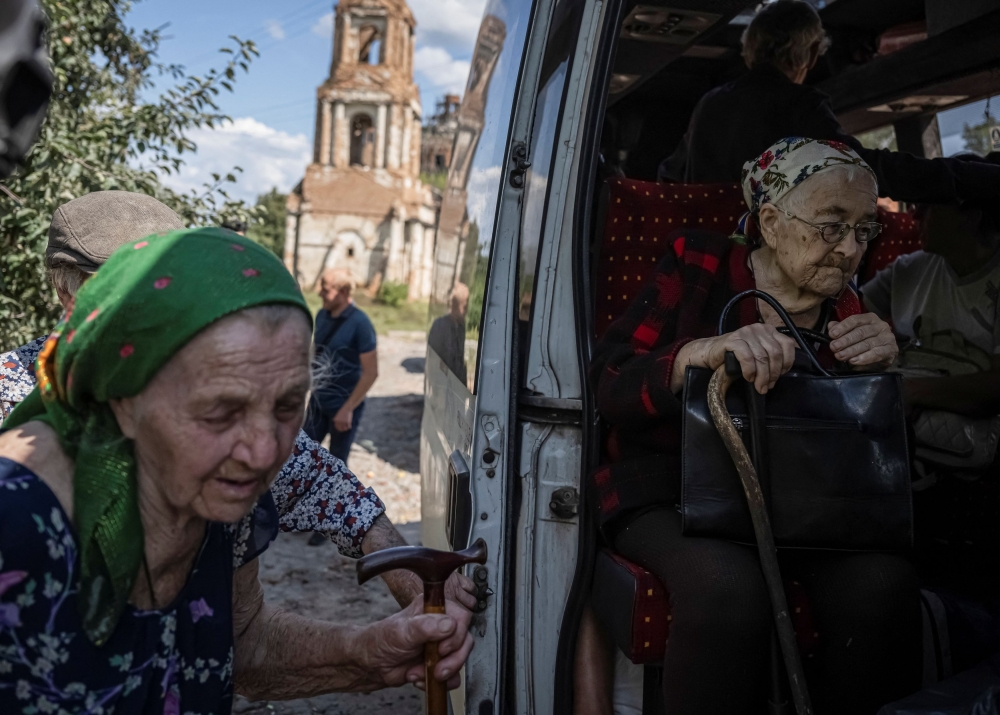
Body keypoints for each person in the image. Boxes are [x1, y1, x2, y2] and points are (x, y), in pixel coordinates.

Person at [0, 228, 474, 712]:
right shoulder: (17, 526)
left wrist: (369, 655)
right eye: (220, 411)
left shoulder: (218, 494)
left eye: (289, 405)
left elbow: (237, 640)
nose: (265, 452)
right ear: (121, 398)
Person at [591, 138, 920, 714]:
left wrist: (886, 365)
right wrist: (700, 352)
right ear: (770, 220)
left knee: (882, 586)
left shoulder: (849, 308)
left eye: (865, 231)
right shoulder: (697, 262)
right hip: (671, 490)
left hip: (805, 500)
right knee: (725, 589)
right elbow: (611, 383)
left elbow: (868, 447)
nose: (850, 250)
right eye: (831, 226)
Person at [658, 0, 1000, 206]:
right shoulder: (798, 103)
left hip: (703, 258)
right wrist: (972, 178)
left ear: (751, 50)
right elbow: (861, 170)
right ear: (808, 53)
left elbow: (669, 177)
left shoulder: (709, 104)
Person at [305, 268, 378, 463]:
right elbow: (316, 352)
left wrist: (347, 409)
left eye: (325, 289)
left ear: (343, 292)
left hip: (344, 404)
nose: (320, 293)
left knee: (336, 465)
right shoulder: (321, 315)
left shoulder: (360, 324)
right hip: (318, 401)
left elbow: (371, 373)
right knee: (301, 456)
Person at [428, 282, 469, 385]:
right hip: (442, 384)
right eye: (465, 305)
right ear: (458, 306)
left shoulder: (461, 326)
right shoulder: (440, 326)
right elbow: (433, 360)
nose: (466, 310)